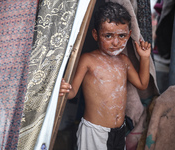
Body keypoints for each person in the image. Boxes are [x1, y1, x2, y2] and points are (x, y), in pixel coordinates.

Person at [59, 2, 151, 150]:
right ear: (96, 35)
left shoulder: (124, 61)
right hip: (94, 132)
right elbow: (72, 93)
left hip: (119, 131)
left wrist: (145, 58)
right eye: (108, 36)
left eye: (122, 36)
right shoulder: (88, 60)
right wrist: (63, 89)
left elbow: (142, 84)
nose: (116, 42)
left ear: (129, 34)